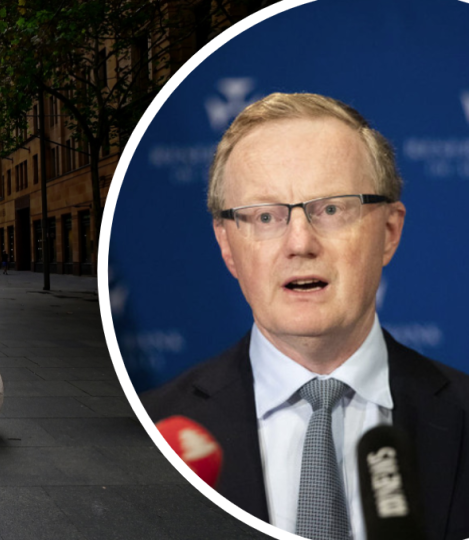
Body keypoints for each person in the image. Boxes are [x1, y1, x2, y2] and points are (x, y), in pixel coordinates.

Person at [140, 93, 469, 540]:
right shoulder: (155, 432)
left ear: (389, 232)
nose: (299, 243)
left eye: (331, 209)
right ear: (226, 245)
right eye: (265, 216)